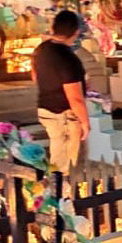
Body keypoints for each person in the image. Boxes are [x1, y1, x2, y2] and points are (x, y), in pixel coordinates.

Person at [31, 10, 90, 172]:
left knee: (57, 152)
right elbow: (75, 98)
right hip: (64, 114)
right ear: (76, 32)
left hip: (45, 108)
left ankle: (58, 188)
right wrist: (85, 122)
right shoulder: (69, 59)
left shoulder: (41, 49)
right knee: (66, 161)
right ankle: (62, 192)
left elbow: (34, 76)